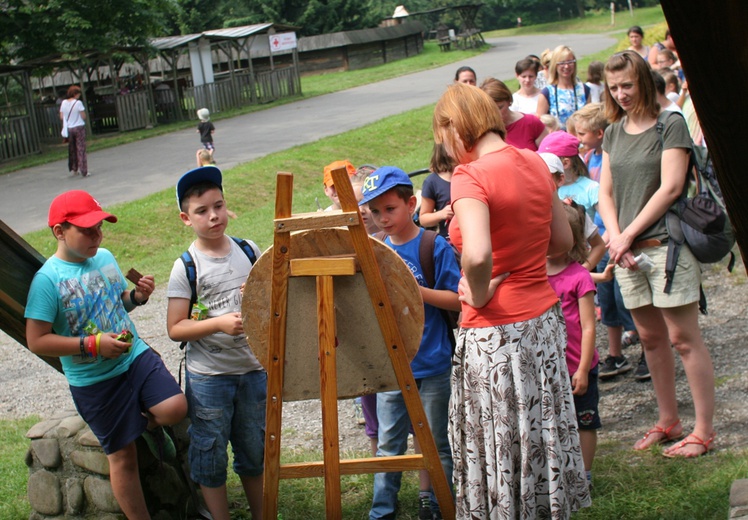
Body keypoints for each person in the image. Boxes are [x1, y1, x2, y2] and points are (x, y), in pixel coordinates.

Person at [432, 82, 589, 518]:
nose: (445, 149)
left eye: (442, 136)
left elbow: (478, 252)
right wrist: (519, 258)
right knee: (538, 437)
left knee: (501, 445)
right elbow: (561, 240)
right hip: (541, 322)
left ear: (454, 125)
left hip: (496, 334)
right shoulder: (536, 162)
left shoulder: (471, 175)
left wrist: (480, 290)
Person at [25, 190, 187, 519]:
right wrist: (91, 345)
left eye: (99, 227)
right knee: (122, 458)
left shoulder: (105, 257)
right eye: (87, 230)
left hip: (134, 356)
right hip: (94, 380)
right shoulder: (47, 281)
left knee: (175, 408)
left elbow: (119, 302)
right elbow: (37, 340)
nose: (97, 235)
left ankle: (142, 423)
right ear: (59, 231)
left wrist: (138, 297)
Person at [599, 50, 715, 457]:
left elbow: (670, 187)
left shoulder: (671, 123)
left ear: (644, 81)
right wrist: (616, 238)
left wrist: (625, 236)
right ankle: (668, 420)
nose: (621, 94)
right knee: (650, 339)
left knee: (683, 338)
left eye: (627, 85)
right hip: (627, 252)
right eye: (614, 88)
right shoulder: (612, 131)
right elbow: (605, 195)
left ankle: (703, 430)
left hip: (667, 247)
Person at [360, 166, 460, 520]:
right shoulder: (375, 253)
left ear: (412, 204)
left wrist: (415, 293)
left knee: (435, 444)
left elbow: (458, 299)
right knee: (389, 445)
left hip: (433, 363)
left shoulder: (434, 245)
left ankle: (437, 502)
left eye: (390, 209)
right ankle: (382, 509)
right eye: (374, 212)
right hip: (393, 369)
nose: (382, 218)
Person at [166, 166, 266, 518]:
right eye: (202, 211)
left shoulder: (249, 250)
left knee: (255, 451)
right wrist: (218, 324)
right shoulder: (187, 267)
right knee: (209, 454)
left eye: (218, 206)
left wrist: (257, 294)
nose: (213, 217)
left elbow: (271, 304)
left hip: (254, 371)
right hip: (209, 377)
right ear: (185, 218)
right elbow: (175, 328)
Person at [571, 103, 643, 378]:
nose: (580, 140)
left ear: (600, 134)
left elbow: (609, 198)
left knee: (628, 298)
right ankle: (615, 355)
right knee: (607, 299)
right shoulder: (592, 159)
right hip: (600, 241)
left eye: (582, 134)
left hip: (616, 236)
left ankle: (648, 351)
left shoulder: (610, 159)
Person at [546, 202, 600, 484]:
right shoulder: (534, 274)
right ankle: (559, 472)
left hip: (578, 366)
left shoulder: (579, 276)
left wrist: (581, 369)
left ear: (572, 239)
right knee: (554, 422)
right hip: (548, 368)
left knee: (585, 421)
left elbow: (589, 326)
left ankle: (585, 475)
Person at [538, 131, 599, 221]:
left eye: (546, 162)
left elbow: (607, 223)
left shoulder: (591, 188)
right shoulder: (545, 188)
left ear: (565, 163)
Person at [481, 77, 548, 151]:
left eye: (500, 108)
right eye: (490, 110)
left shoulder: (531, 123)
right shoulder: (482, 131)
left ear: (509, 101)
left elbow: (547, 154)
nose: (495, 114)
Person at [537, 45, 590, 130]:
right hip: (558, 140)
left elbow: (590, 119)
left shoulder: (584, 90)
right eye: (562, 63)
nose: (566, 66)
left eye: (570, 62)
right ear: (555, 65)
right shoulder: (547, 93)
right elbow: (539, 126)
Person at [419, 143, 455, 239]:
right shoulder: (432, 182)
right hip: (450, 240)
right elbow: (423, 219)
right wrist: (442, 214)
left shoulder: (472, 173)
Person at [60, 86, 88, 177]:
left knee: (72, 149)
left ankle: (74, 168)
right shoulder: (78, 103)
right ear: (75, 94)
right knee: (81, 148)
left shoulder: (63, 103)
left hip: (69, 128)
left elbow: (61, 116)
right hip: (79, 127)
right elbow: (83, 116)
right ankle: (84, 170)